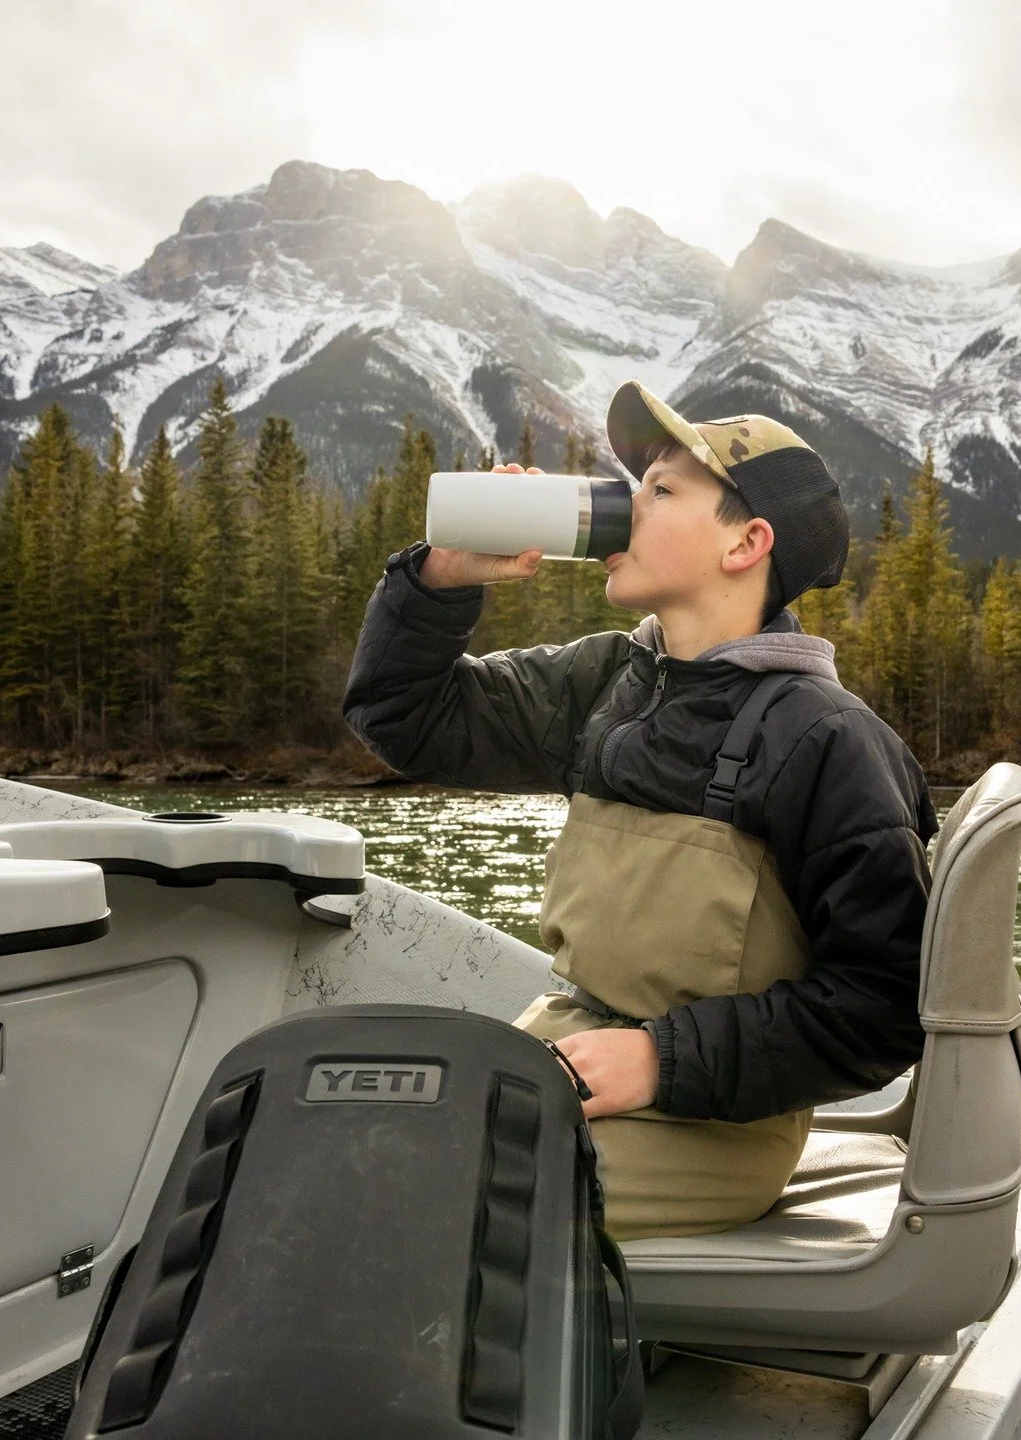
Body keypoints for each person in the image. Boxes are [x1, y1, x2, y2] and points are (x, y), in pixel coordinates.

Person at [342, 381, 935, 1239]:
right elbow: (403, 717)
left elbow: (885, 1006)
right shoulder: (605, 682)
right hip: (573, 1051)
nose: (623, 505)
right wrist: (441, 581)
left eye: (659, 489)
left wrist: (661, 1059)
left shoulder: (828, 740)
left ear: (747, 542)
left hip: (711, 1119)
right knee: (335, 1138)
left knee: (418, 1204)